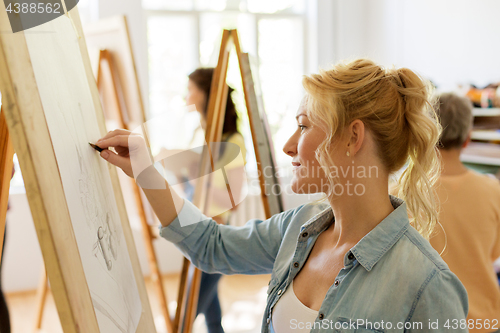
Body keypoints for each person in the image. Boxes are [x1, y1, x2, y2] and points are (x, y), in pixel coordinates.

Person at [95, 58, 468, 332]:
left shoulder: (428, 286)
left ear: (353, 138)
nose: (289, 146)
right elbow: (210, 245)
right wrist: (145, 169)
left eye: (303, 127)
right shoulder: (299, 228)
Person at [183, 67, 247, 333]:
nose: (185, 95)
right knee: (210, 307)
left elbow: (233, 200)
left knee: (190, 307)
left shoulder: (233, 141)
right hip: (194, 226)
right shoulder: (200, 134)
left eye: (191, 90)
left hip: (216, 231)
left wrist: (199, 178)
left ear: (206, 95)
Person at [429, 92, 500, 332]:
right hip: (485, 321)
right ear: (468, 138)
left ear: (425, 134)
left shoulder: (402, 192)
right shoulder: (493, 190)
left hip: (429, 320)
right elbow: (494, 252)